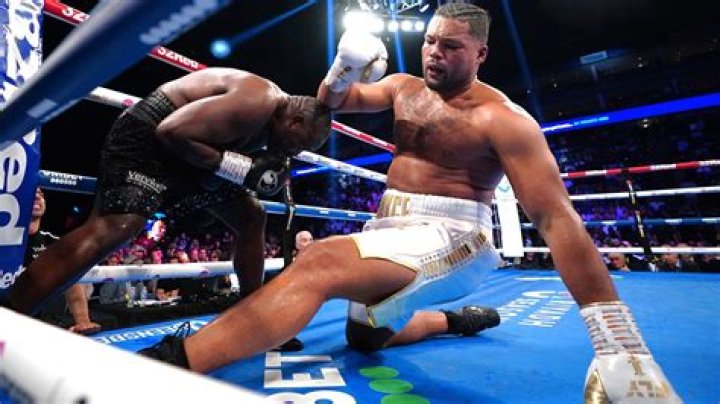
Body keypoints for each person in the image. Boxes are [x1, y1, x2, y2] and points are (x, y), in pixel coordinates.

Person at [138, 5, 678, 402]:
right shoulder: (403, 87)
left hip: (454, 238)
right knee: (364, 338)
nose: (435, 53)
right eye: (430, 41)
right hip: (390, 228)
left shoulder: (504, 120)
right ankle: (454, 322)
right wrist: (344, 66)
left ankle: (175, 362)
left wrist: (617, 340)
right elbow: (333, 103)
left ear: (481, 54)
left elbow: (555, 218)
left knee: (321, 261)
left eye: (451, 46)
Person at [4, 67, 332, 316]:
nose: (295, 153)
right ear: (295, 122)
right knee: (120, 224)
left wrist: (247, 170)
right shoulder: (257, 102)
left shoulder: (273, 130)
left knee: (252, 215)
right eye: (300, 144)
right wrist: (239, 168)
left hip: (192, 159)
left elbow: (213, 154)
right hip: (149, 135)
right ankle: (11, 311)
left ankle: (250, 314)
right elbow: (171, 131)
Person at [25, 188, 101, 334]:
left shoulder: (54, 243)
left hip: (33, 324)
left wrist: (83, 322)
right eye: (31, 192)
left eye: (41, 194)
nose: (38, 197)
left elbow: (73, 287)